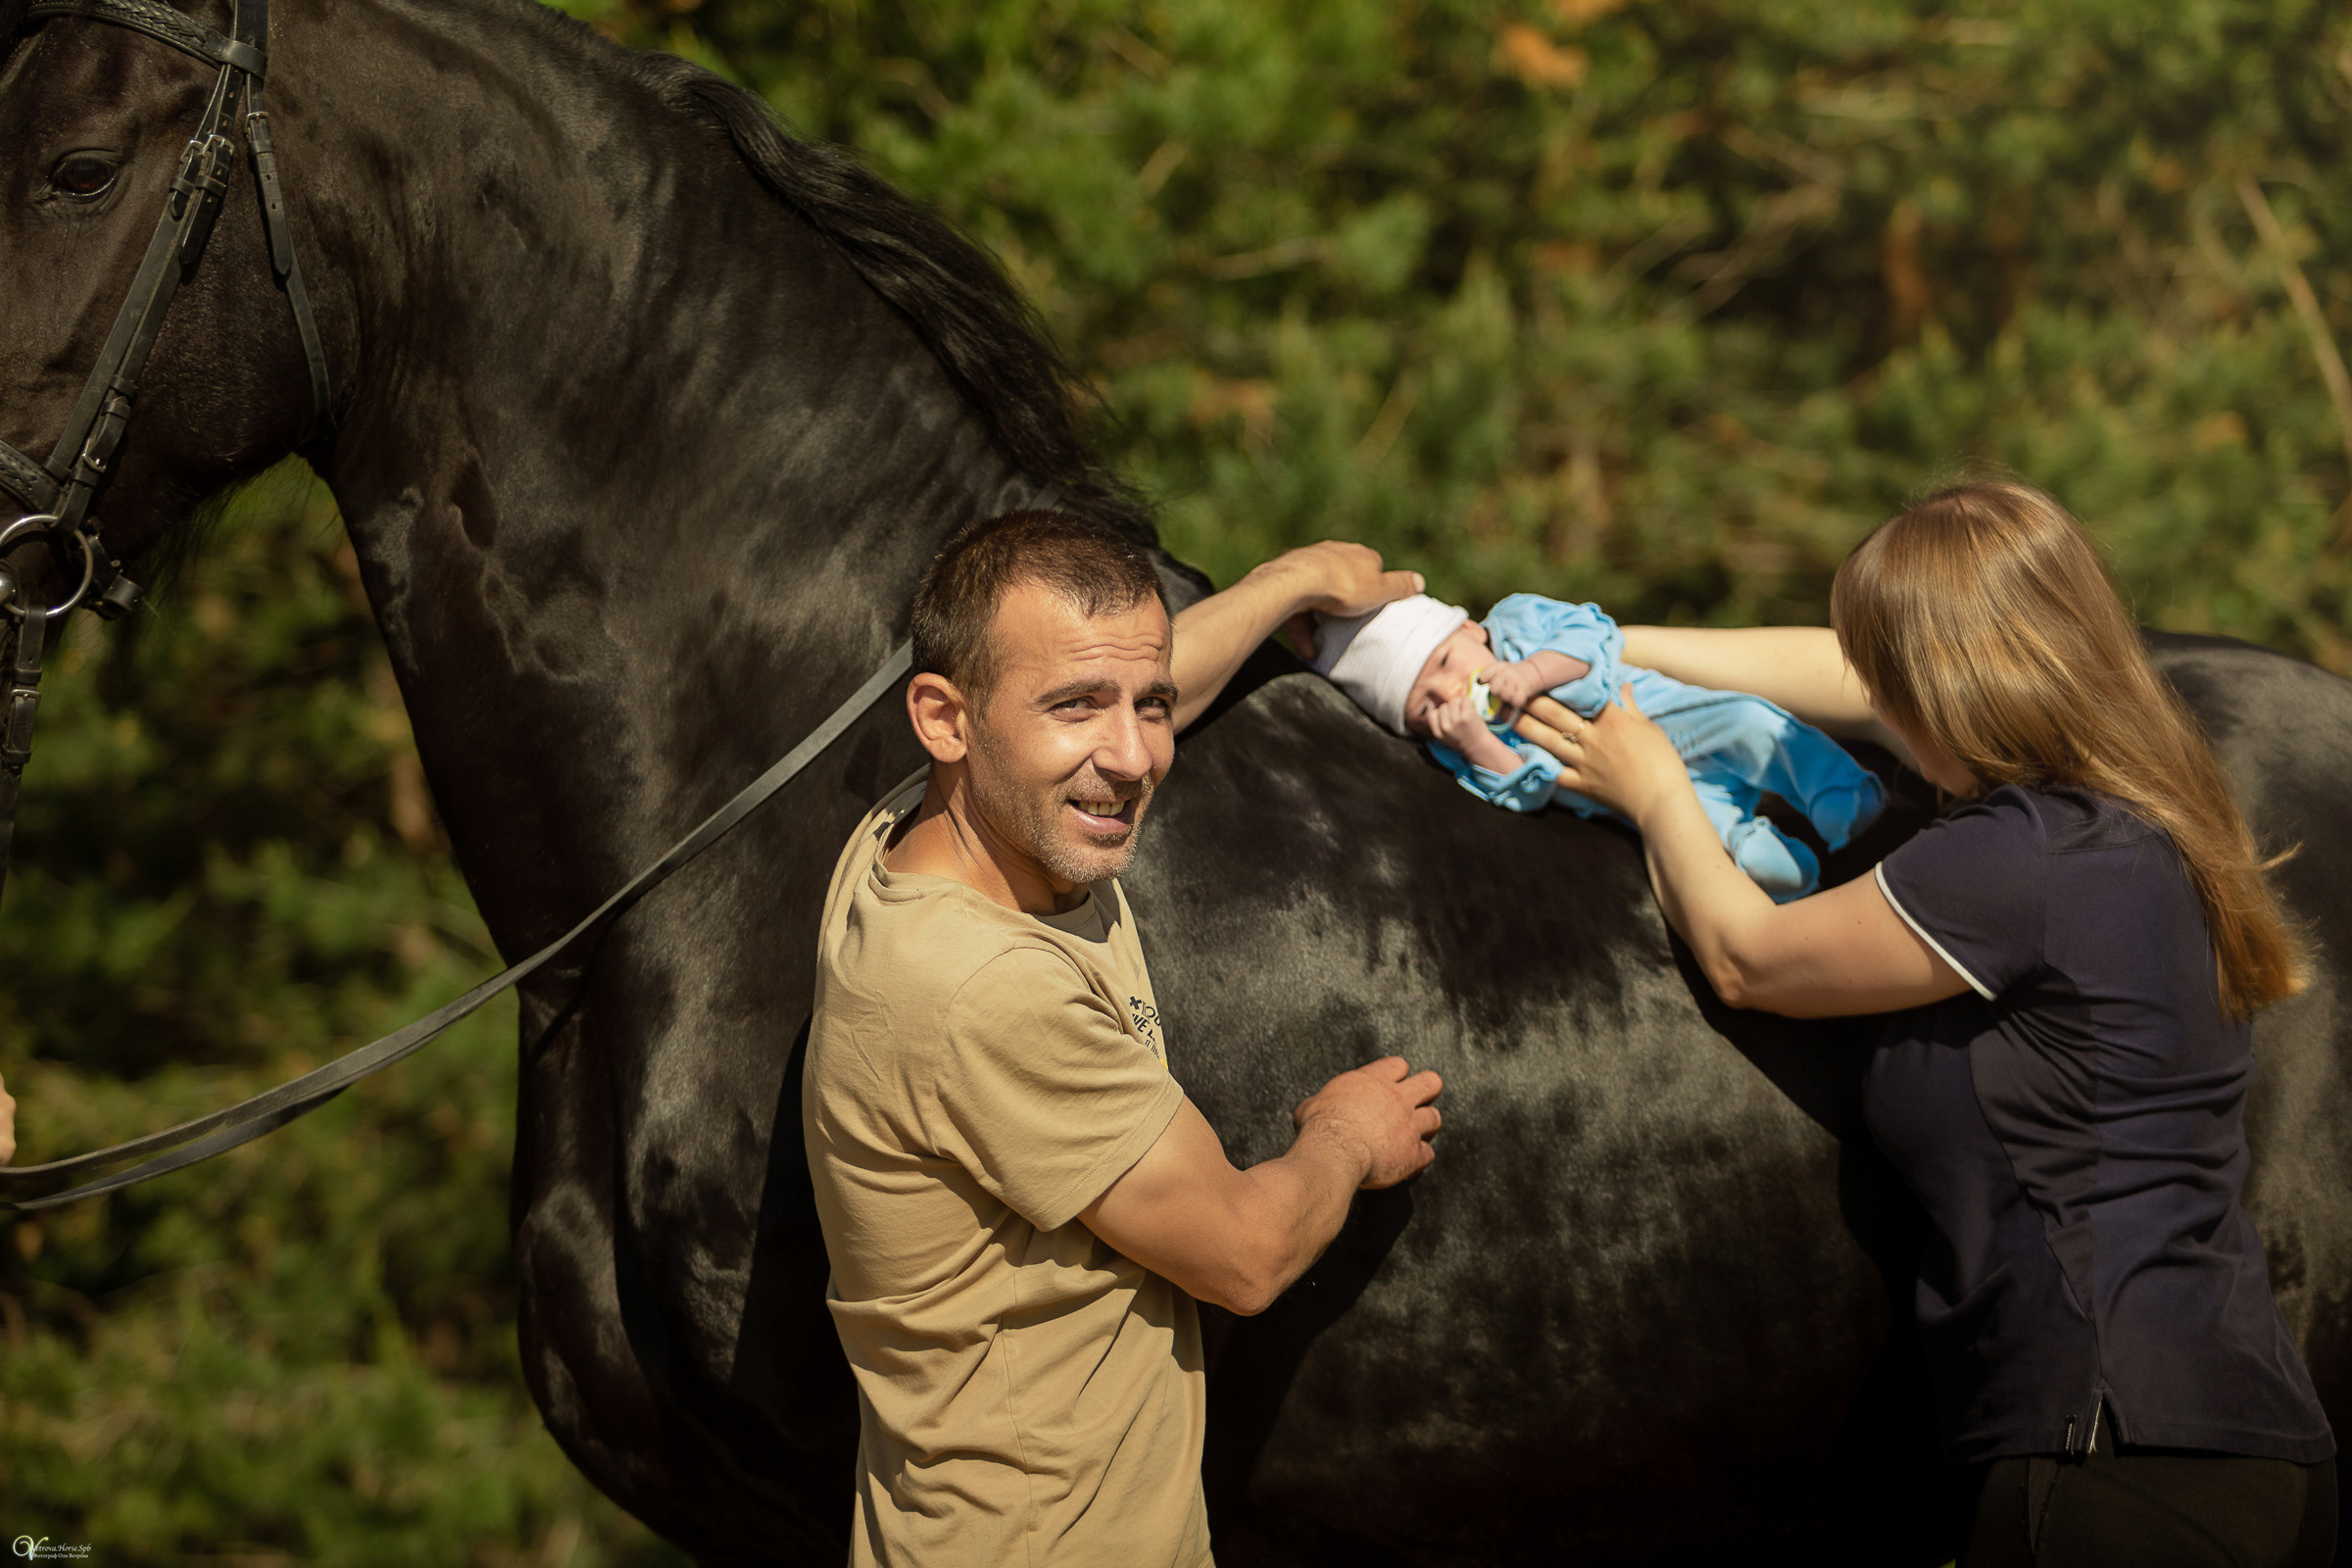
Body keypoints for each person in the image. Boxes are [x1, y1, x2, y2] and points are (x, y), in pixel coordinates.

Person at [1522, 480, 2335, 1566]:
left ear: (1963, 680)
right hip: (2243, 1441)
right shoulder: (2142, 812)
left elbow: (1748, 958)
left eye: (1902, 674)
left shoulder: (2016, 853)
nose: (1879, 701)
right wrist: (1610, 650)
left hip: (2108, 1455)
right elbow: (1843, 679)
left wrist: (1655, 787)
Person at [803, 511, 1446, 1568]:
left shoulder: (918, 832)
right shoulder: (980, 989)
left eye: (1150, 707)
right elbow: (1246, 1253)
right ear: (944, 718)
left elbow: (1107, 690)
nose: (1135, 756)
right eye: (1078, 709)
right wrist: (1344, 1135)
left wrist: (1288, 582)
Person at [1305, 590, 1885, 899]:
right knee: (1700, 831)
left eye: (1447, 663)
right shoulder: (1457, 745)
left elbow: (1591, 633)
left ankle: (1837, 790)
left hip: (1656, 712)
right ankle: (1764, 857)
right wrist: (1479, 743)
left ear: (1466, 629)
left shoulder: (1516, 623)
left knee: (1749, 723)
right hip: (1628, 790)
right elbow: (1528, 791)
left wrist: (1532, 674)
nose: (1450, 691)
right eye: (1426, 705)